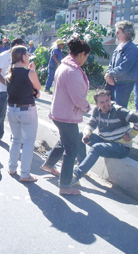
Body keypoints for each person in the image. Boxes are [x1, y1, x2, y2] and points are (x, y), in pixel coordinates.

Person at [40, 38, 91, 195]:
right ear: (81, 54)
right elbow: (78, 98)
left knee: (66, 141)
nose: (86, 59)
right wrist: (87, 108)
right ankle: (65, 185)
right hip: (66, 115)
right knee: (72, 151)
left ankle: (49, 164)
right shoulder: (71, 71)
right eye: (87, 56)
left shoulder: (66, 66)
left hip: (61, 113)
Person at [70, 89, 138, 186]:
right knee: (79, 134)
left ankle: (76, 175)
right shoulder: (97, 111)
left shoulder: (119, 111)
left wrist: (131, 134)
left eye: (107, 100)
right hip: (105, 141)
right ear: (96, 104)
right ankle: (82, 165)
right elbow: (91, 124)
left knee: (97, 147)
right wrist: (87, 133)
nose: (106, 104)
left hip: (121, 147)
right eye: (102, 102)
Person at [6, 45, 41, 182]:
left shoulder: (8, 74)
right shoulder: (29, 73)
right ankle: (25, 174)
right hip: (27, 110)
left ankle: (12, 168)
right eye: (27, 54)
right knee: (28, 143)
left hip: (12, 109)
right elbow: (37, 87)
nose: (29, 56)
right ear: (22, 56)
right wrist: (33, 71)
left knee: (15, 140)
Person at [0, 37, 26, 142]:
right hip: (3, 90)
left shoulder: (21, 57)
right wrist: (7, 85)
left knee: (17, 114)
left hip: (16, 91)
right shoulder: (3, 56)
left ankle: (16, 137)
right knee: (2, 113)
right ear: (16, 45)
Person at [104, 21, 138, 108]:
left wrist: (110, 74)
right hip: (114, 82)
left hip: (124, 83)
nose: (115, 34)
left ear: (126, 33)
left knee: (120, 109)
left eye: (118, 32)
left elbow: (125, 67)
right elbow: (111, 64)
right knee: (111, 108)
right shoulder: (118, 47)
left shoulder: (131, 48)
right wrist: (107, 75)